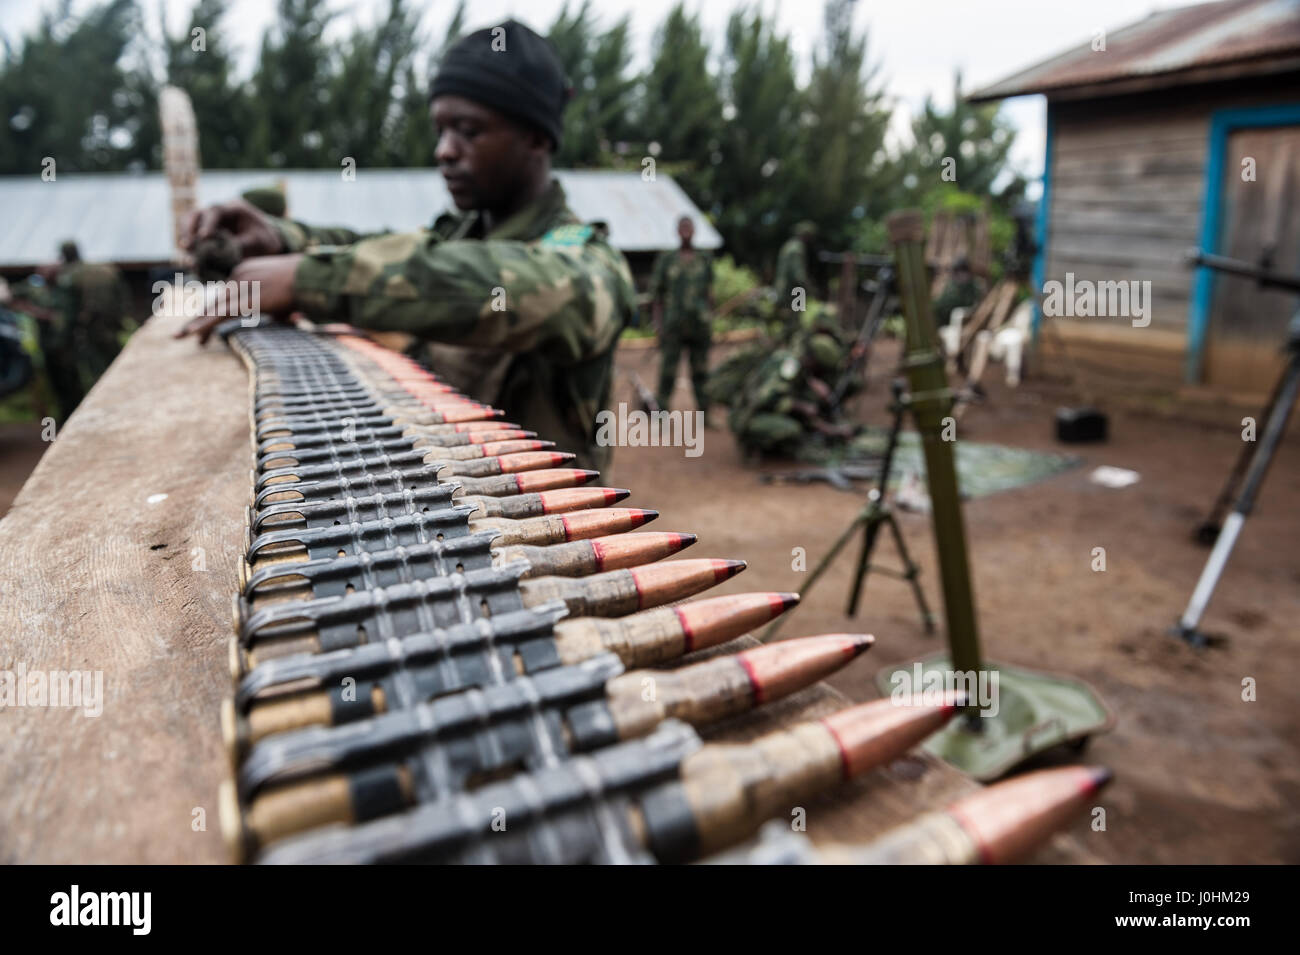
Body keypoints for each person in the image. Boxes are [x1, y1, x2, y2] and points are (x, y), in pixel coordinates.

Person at [176, 20, 636, 472]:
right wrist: (280, 239)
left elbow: (499, 281)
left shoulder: (589, 263)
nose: (444, 151)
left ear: (536, 137)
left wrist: (309, 279)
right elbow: (380, 249)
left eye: (468, 130)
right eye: (440, 131)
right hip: (443, 495)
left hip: (544, 512)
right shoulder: (454, 237)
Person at [649, 216, 714, 416]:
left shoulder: (704, 258)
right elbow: (657, 296)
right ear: (677, 231)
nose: (686, 231)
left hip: (699, 326)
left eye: (689, 227)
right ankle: (661, 412)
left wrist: (710, 319)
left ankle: (705, 413)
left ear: (694, 231)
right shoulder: (666, 259)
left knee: (701, 371)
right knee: (667, 372)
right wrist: (657, 324)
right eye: (682, 227)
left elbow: (709, 293)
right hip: (673, 326)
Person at [773, 220, 816, 331]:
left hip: (783, 288)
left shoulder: (788, 246)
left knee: (785, 322)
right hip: (793, 291)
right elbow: (798, 276)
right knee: (794, 325)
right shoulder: (797, 249)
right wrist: (810, 289)